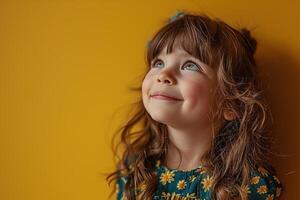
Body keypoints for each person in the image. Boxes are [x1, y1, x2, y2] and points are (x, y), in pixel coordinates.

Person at [106, 10, 283, 200]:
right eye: (158, 62)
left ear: (231, 104)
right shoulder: (134, 170)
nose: (163, 74)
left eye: (190, 65)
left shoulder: (250, 186)